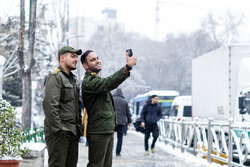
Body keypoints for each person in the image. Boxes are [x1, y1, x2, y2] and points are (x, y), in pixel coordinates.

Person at [80, 50, 137, 167]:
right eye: (93, 59)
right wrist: (127, 68)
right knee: (96, 165)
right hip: (98, 131)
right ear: (85, 65)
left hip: (106, 130)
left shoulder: (97, 80)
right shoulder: (88, 82)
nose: (97, 61)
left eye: (97, 58)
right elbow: (109, 83)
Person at [43, 46, 83, 167]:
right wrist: (58, 129)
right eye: (72, 56)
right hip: (60, 133)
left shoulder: (73, 79)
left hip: (72, 131)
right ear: (62, 58)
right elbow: (50, 105)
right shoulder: (55, 77)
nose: (76, 59)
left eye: (76, 57)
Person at [112, 88, 132, 156]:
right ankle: (118, 152)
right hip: (122, 122)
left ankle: (109, 151)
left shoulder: (112, 100)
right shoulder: (125, 101)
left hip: (112, 121)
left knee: (110, 137)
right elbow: (128, 112)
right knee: (120, 138)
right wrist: (129, 121)